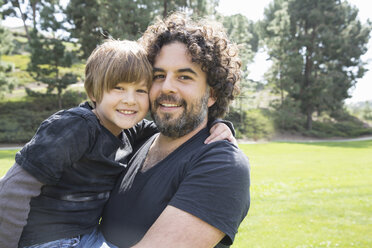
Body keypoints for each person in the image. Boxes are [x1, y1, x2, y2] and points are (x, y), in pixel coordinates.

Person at [0, 39, 234, 248]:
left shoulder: (127, 130)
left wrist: (217, 123)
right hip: (49, 241)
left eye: (141, 90)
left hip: (87, 236)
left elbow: (181, 128)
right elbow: (13, 189)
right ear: (93, 92)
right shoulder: (75, 127)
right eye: (118, 88)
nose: (130, 100)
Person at [97, 12, 251, 248]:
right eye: (158, 75)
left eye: (184, 77)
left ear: (212, 94)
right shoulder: (137, 138)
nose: (167, 86)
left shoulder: (223, 164)